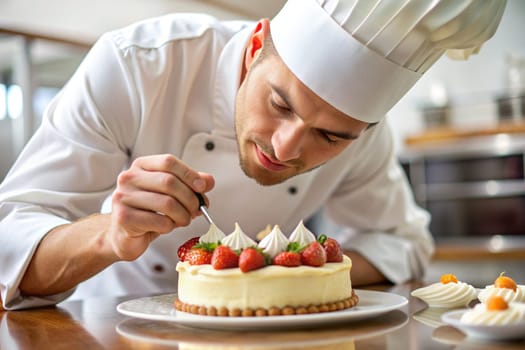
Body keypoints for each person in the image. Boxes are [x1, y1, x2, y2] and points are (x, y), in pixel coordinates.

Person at [0, 0, 506, 310]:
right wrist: (108, 235)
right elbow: (10, 242)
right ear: (256, 44)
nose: (286, 148)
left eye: (330, 137)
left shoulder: (367, 134)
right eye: (279, 103)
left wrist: (289, 275)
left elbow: (404, 241)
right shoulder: (137, 66)